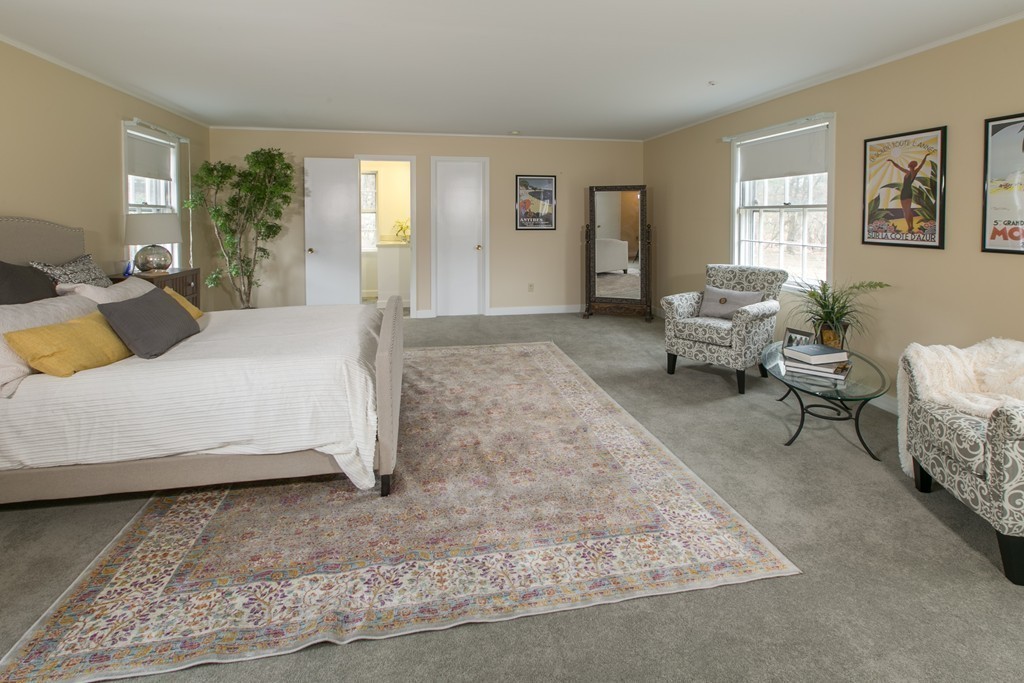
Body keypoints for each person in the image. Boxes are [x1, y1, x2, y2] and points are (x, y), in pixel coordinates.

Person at [887, 151, 932, 233]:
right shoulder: (909, 172)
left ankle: (910, 227)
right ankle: (910, 226)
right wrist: (892, 161)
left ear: (912, 165)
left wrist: (925, 156)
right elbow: (898, 167)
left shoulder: (913, 172)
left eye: (911, 163)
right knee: (907, 210)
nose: (910, 163)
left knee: (906, 210)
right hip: (905, 192)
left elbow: (921, 164)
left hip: (907, 192)